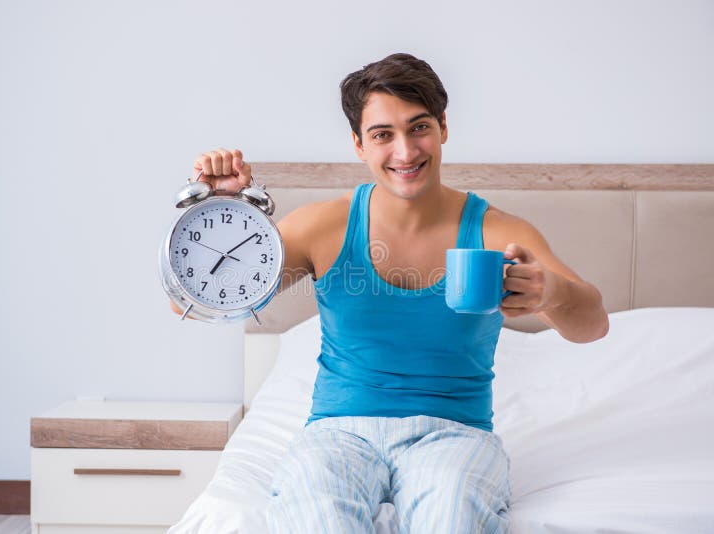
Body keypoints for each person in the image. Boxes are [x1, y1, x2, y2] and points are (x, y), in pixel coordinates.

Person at [172, 53, 609, 533]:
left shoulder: (496, 230)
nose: (405, 152)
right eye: (383, 135)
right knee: (315, 513)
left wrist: (550, 294)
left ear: (443, 127)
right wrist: (224, 214)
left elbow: (594, 325)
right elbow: (190, 305)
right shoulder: (326, 226)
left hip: (454, 435)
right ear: (359, 145)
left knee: (452, 514)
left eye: (418, 127)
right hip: (337, 434)